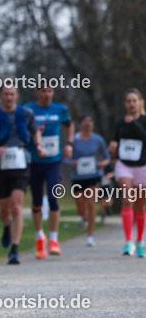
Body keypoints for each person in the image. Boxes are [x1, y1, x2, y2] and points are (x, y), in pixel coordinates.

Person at [0, 86, 43, 264]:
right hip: (1, 165)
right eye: (5, 94)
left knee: (16, 206)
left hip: (21, 163)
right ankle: (6, 225)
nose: (9, 97)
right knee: (4, 210)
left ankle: (14, 249)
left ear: (17, 95)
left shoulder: (26, 113)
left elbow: (35, 130)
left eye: (12, 94)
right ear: (1, 95)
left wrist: (38, 145)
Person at [25, 85, 74, 258]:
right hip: (35, 162)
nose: (47, 94)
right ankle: (40, 237)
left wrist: (69, 144)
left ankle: (54, 239)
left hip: (54, 161)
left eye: (50, 91)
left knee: (54, 197)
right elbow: (22, 131)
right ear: (37, 92)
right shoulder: (29, 109)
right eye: (43, 91)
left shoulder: (60, 109)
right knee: (37, 200)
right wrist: (33, 134)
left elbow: (70, 125)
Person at [108, 88, 146, 257]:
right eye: (128, 101)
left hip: (142, 166)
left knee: (140, 204)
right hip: (124, 165)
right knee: (127, 198)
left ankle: (140, 241)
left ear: (140, 103)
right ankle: (128, 241)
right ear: (125, 104)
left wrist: (134, 123)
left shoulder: (144, 121)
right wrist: (113, 146)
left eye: (134, 101)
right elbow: (116, 139)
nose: (131, 104)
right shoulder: (120, 123)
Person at [67, 114, 109, 246]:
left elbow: (106, 157)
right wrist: (70, 162)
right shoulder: (74, 140)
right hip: (78, 176)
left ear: (92, 124)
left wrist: (102, 164)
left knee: (91, 204)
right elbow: (66, 157)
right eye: (85, 121)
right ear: (80, 124)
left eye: (90, 121)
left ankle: (90, 235)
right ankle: (83, 217)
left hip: (93, 175)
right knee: (80, 206)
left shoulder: (98, 139)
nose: (87, 123)